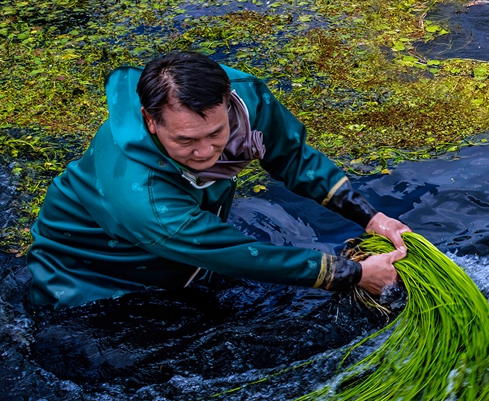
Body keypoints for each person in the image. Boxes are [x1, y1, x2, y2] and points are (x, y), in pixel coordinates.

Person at [25, 51, 411, 309]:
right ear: (149, 120)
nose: (206, 152)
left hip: (189, 249)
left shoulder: (248, 99)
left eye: (216, 133)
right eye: (185, 141)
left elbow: (291, 156)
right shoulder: (142, 197)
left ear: (228, 103)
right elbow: (233, 253)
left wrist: (370, 218)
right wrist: (352, 274)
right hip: (94, 277)